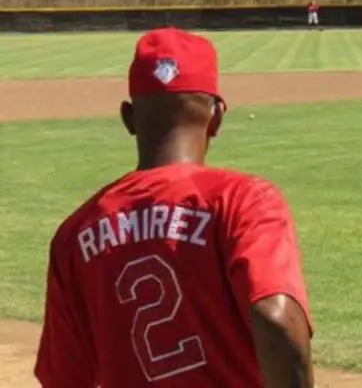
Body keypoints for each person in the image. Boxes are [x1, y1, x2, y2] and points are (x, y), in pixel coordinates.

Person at [34, 27, 315, 388]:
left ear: (128, 119)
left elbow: (64, 380)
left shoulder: (75, 233)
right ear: (217, 117)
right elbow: (278, 321)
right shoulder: (245, 201)